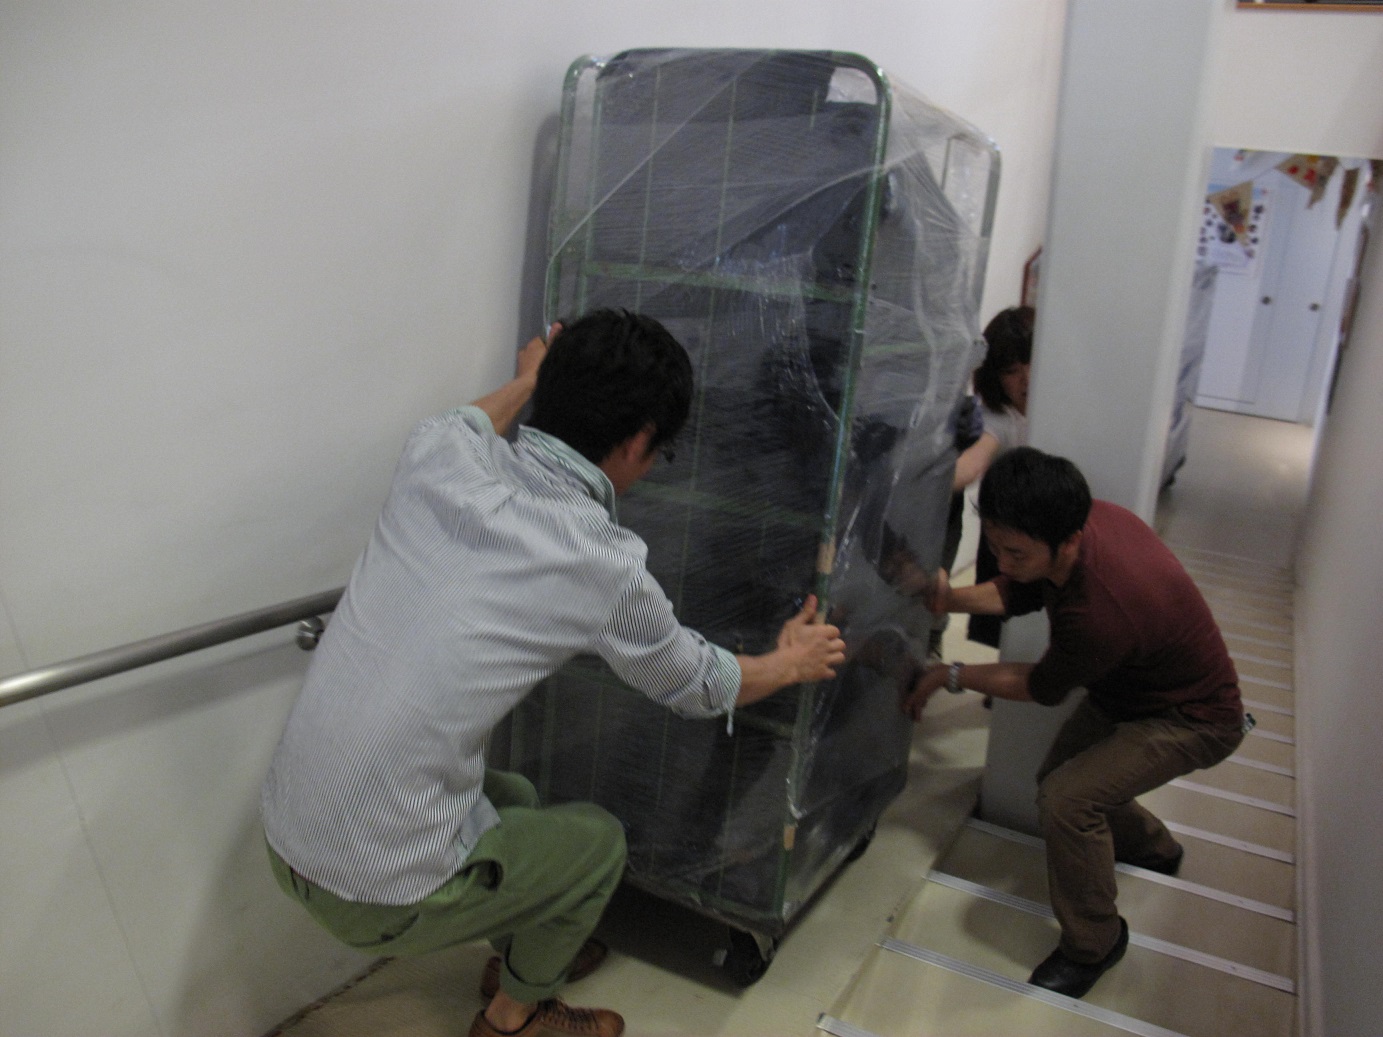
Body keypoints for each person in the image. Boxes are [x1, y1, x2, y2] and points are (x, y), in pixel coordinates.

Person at [260, 308, 847, 1037]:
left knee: (517, 797)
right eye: (660, 452)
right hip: (368, 891)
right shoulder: (597, 561)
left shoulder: (438, 451)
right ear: (638, 441)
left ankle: (524, 948)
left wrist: (530, 378)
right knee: (597, 844)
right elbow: (698, 683)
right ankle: (515, 1017)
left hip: (285, 832)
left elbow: (470, 420)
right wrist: (788, 662)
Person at [902, 446, 1245, 999]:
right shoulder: (1079, 523)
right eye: (994, 546)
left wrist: (950, 673)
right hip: (1128, 687)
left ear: (1066, 541)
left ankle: (1096, 942)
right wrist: (947, 600)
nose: (1002, 561)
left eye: (1014, 551)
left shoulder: (1101, 610)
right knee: (1060, 783)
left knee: (1068, 799)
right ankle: (1155, 849)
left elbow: (1040, 687)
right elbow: (1021, 586)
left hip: (1193, 718)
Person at [953, 305, 1033, 650]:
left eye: (1032, 363)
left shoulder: (1060, 410)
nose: (1026, 379)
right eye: (1012, 371)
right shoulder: (999, 418)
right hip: (1009, 541)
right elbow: (971, 465)